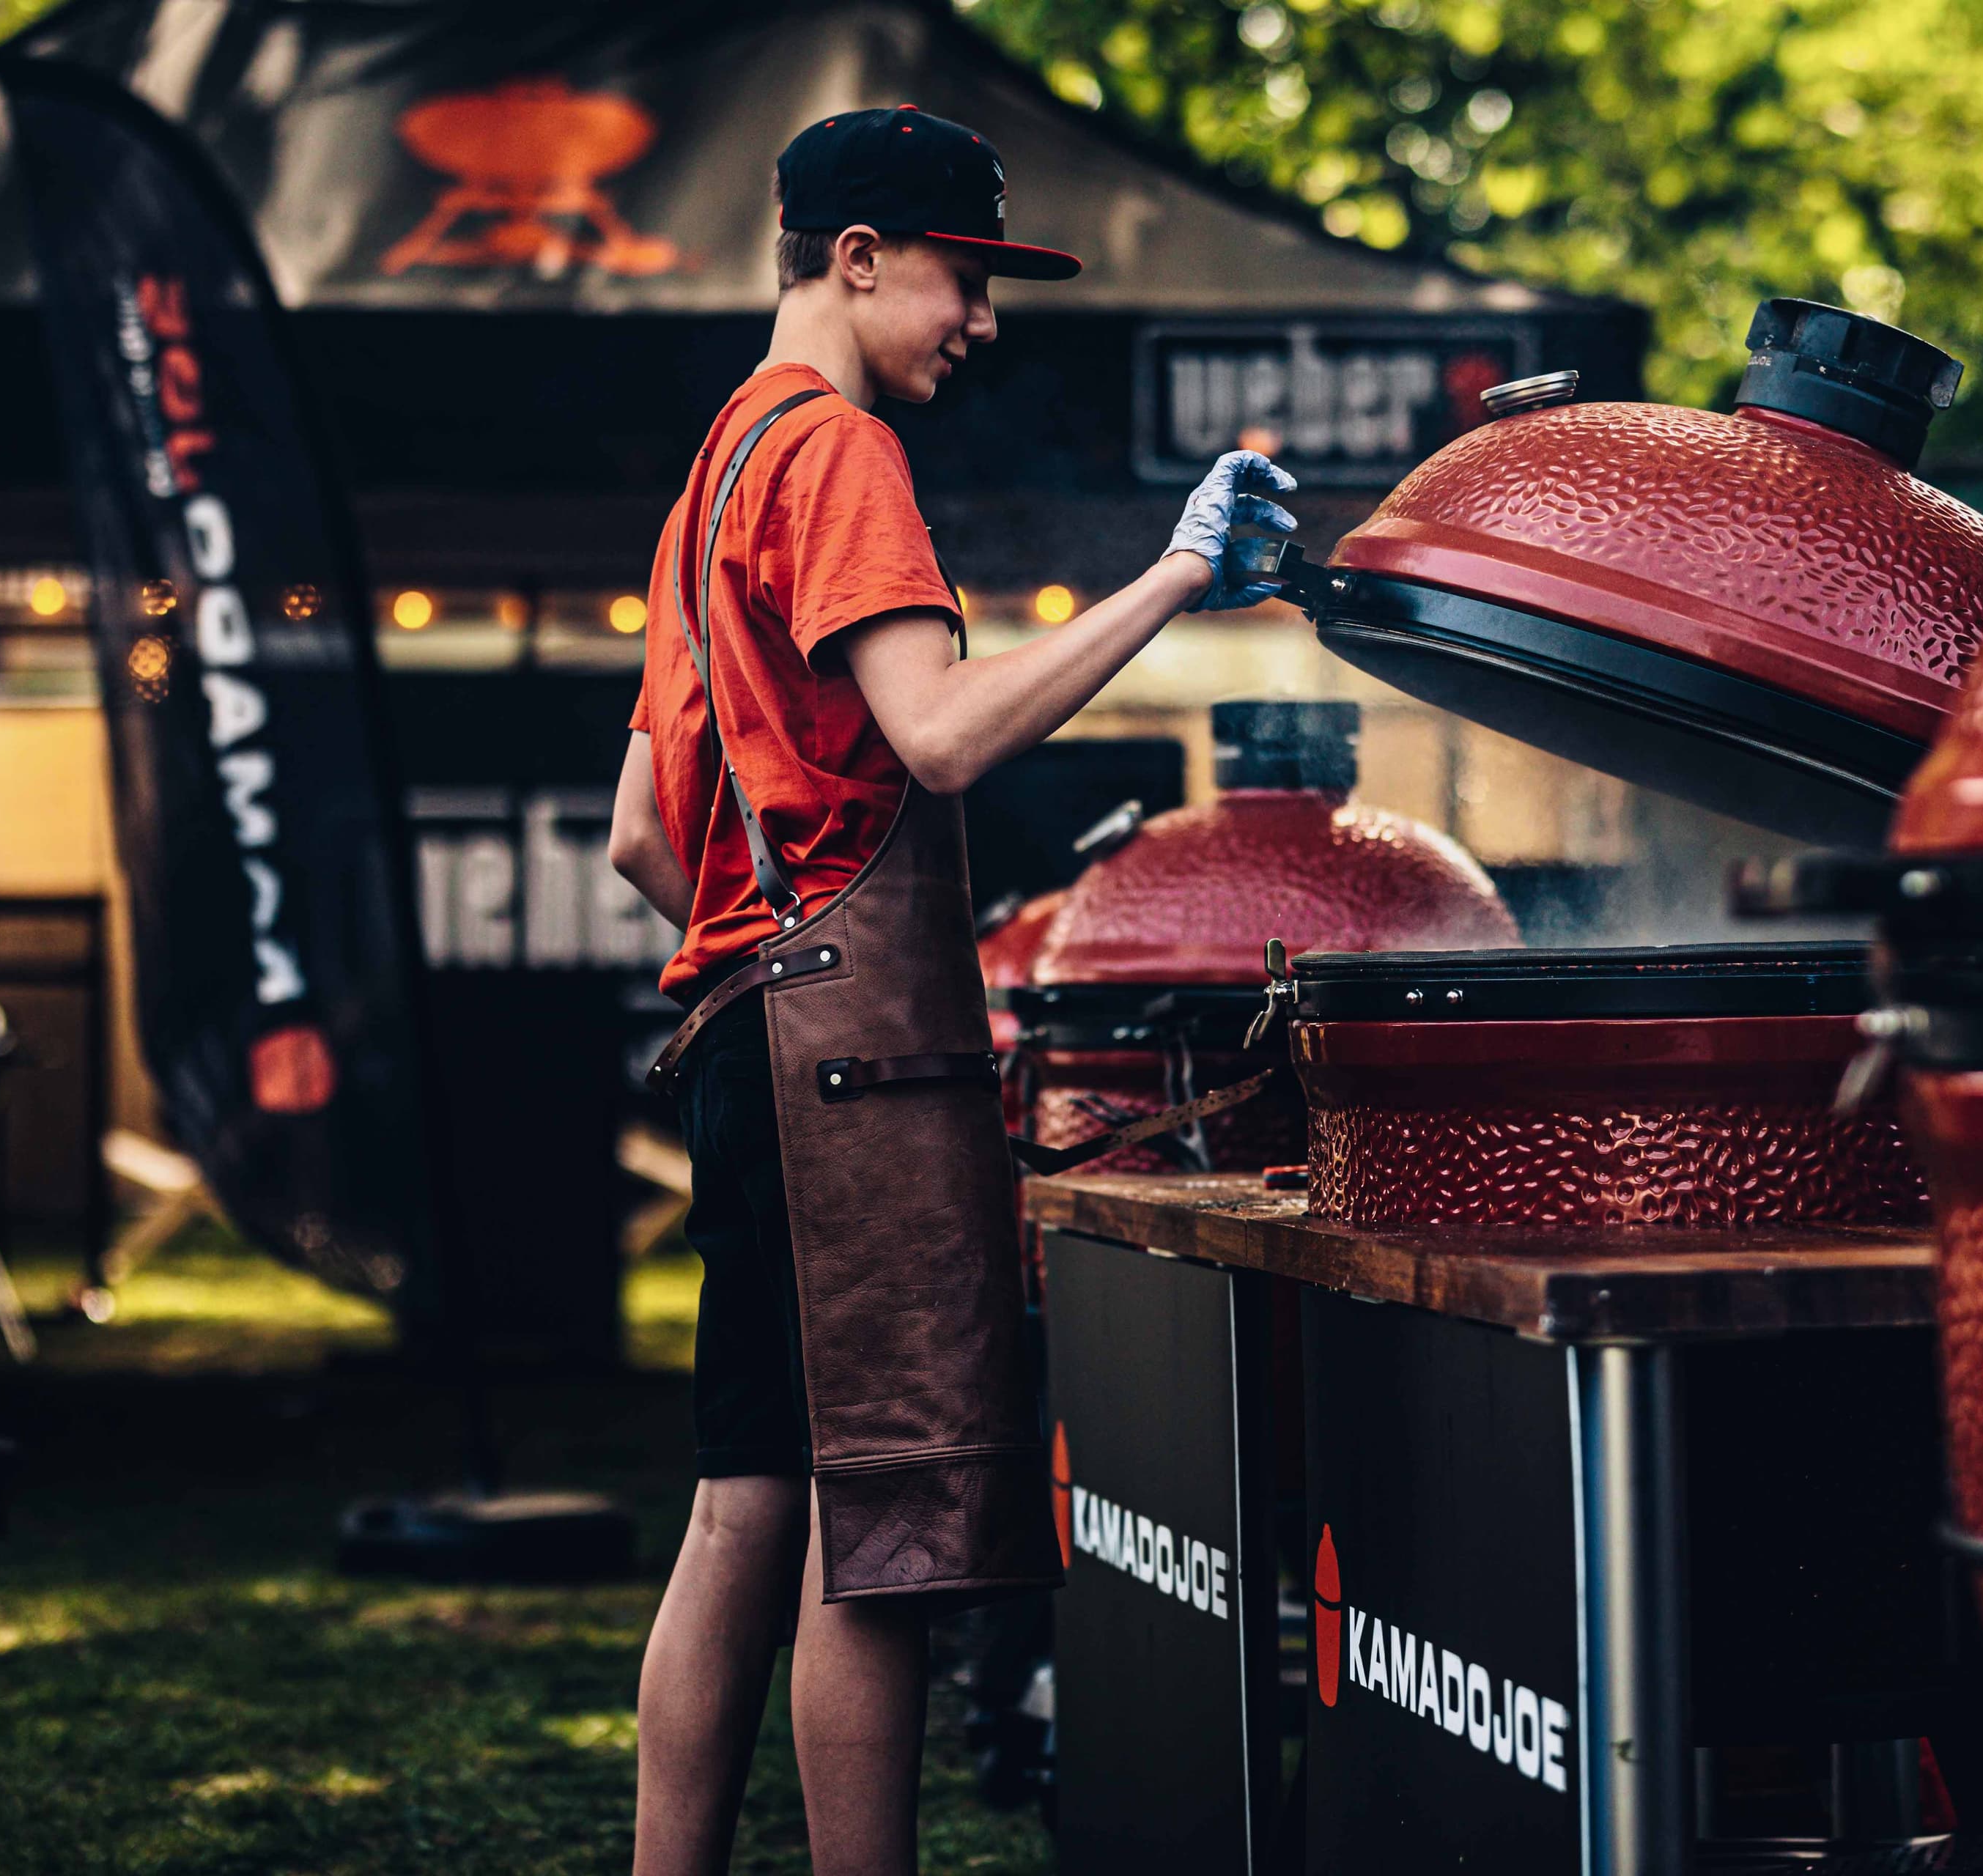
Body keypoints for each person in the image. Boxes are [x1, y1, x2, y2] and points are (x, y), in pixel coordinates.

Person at [604, 104, 1295, 1876]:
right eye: (966, 279)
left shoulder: (714, 469)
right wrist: (1177, 570)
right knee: (884, 1523)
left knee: (746, 1502)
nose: (981, 323)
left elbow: (634, 836)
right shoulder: (833, 452)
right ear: (857, 259)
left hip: (745, 1028)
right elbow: (946, 730)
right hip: (849, 1054)